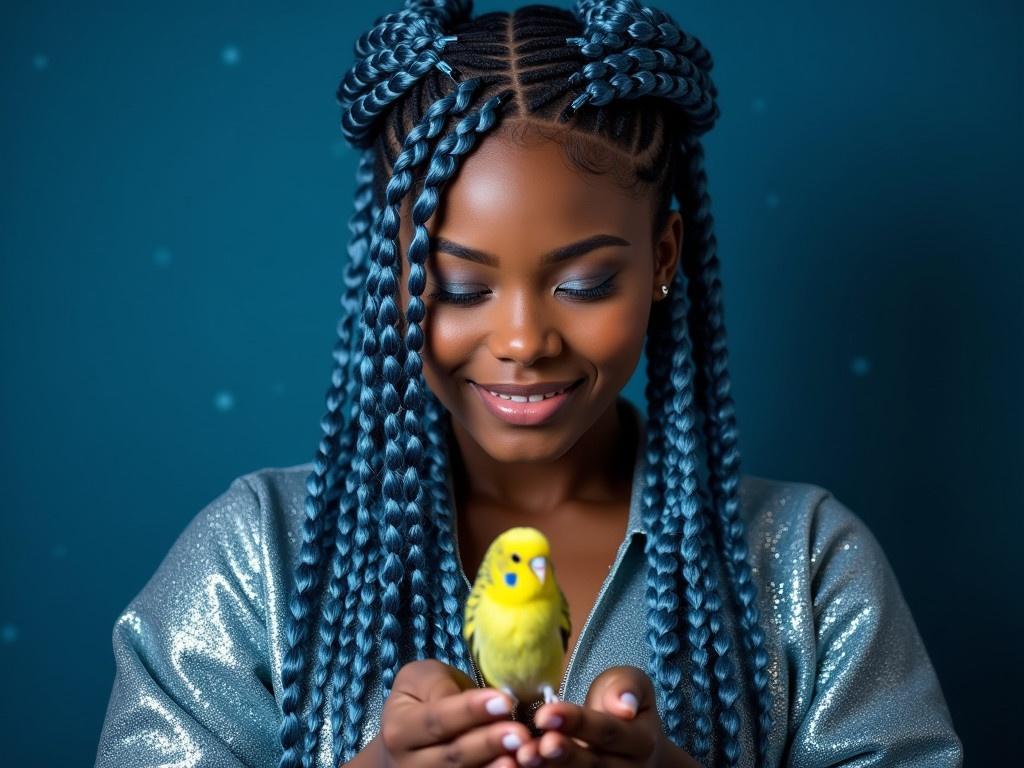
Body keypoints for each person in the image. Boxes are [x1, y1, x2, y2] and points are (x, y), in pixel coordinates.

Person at [94, 1, 963, 766]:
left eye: (583, 285)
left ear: (663, 260)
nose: (522, 341)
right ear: (389, 275)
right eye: (462, 288)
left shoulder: (809, 566)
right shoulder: (258, 559)